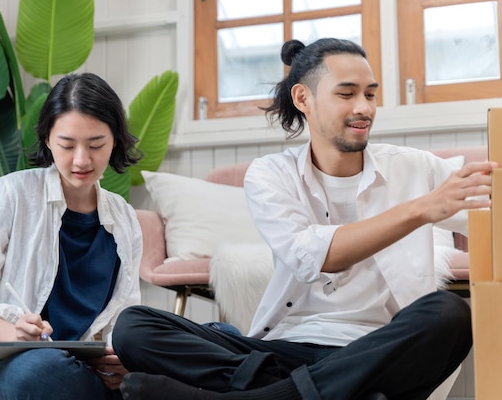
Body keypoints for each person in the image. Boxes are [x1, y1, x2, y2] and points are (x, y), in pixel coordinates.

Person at [112, 38, 497, 400]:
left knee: (449, 315)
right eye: (346, 94)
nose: (363, 107)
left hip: (375, 349)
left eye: (370, 94)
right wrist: (419, 210)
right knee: (135, 327)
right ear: (303, 98)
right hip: (283, 349)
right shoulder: (270, 175)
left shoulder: (415, 168)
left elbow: (491, 221)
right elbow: (313, 257)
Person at [0, 72, 143, 400]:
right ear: (47, 141)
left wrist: (124, 364)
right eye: (67, 145)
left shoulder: (124, 219)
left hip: (76, 369)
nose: (82, 160)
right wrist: (13, 333)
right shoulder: (10, 195)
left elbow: (125, 319)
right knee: (45, 371)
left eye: (96, 144)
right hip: (6, 369)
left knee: (204, 343)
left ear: (115, 141)